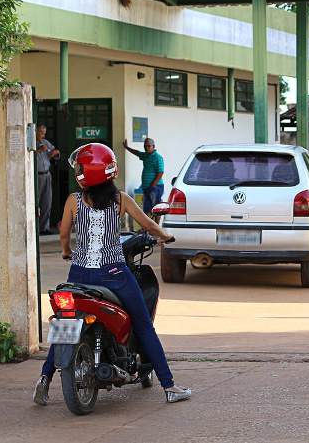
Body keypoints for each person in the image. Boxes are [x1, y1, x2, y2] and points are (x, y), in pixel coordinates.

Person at [33, 143, 191, 405]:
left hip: (80, 275)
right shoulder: (121, 200)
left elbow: (63, 234)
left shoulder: (73, 200)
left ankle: (44, 380)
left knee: (64, 325)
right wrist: (166, 236)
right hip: (114, 274)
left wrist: (66, 251)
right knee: (143, 325)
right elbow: (149, 225)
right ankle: (169, 386)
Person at [122, 137, 164, 213]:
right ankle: (149, 224)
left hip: (155, 187)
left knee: (156, 208)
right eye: (145, 146)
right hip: (146, 187)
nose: (146, 148)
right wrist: (127, 147)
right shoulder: (145, 155)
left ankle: (156, 225)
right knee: (147, 209)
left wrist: (152, 185)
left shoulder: (158, 157)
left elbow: (160, 173)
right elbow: (137, 152)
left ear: (153, 146)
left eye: (148, 146)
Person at [36, 125, 60, 235]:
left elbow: (53, 154)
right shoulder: (31, 142)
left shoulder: (45, 142)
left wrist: (53, 154)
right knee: (37, 202)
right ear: (36, 131)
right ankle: (35, 228)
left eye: (44, 133)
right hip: (37, 176)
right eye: (41, 132)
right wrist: (38, 150)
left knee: (47, 201)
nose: (42, 135)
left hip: (47, 174)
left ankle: (44, 228)